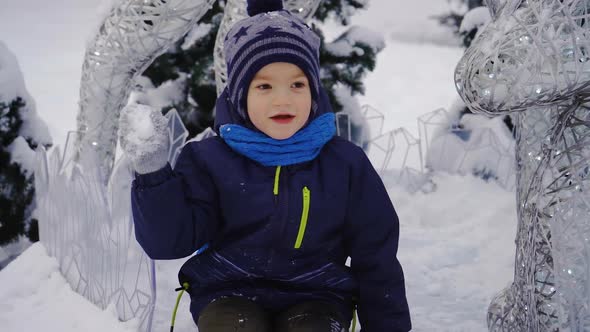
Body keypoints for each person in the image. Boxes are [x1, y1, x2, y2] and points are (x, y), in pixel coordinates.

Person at [118, 0, 411, 331]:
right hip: (229, 293)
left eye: (297, 84)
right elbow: (168, 242)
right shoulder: (209, 160)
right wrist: (153, 174)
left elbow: (376, 256)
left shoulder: (344, 164)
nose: (282, 99)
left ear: (314, 91)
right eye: (264, 86)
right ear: (241, 94)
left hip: (318, 296)